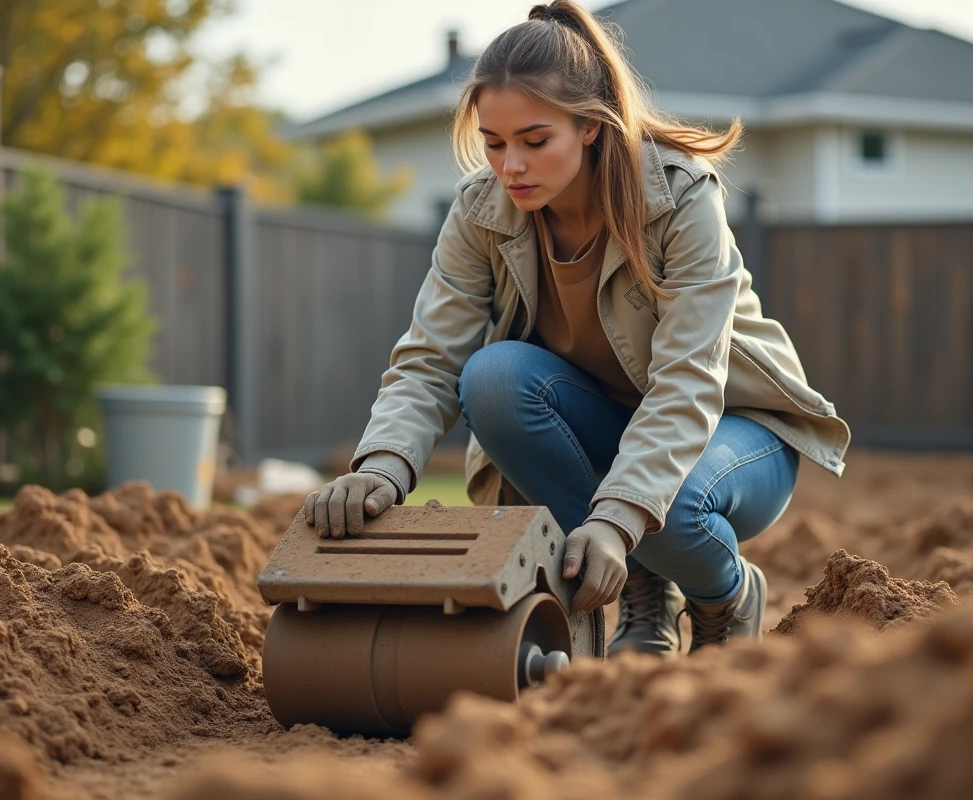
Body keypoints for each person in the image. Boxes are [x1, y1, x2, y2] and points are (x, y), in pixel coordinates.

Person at [303, 0, 851, 656]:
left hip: (734, 428)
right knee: (493, 376)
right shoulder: (482, 212)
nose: (511, 167)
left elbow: (686, 381)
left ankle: (724, 596)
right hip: (603, 428)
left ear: (590, 127)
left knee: (666, 507)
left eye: (535, 141)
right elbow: (431, 355)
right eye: (494, 143)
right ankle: (647, 595)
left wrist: (617, 521)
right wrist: (383, 465)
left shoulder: (679, 197)